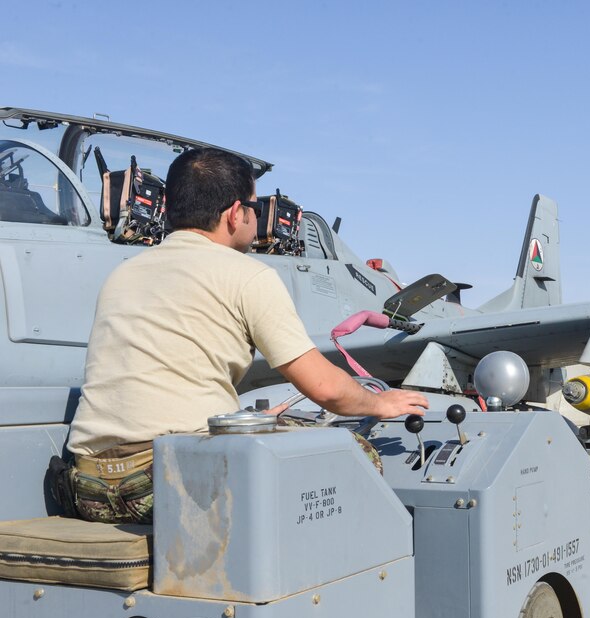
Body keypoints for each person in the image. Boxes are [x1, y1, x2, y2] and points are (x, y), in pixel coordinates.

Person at [64, 148, 428, 524]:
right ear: (235, 213)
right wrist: (379, 403)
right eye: (254, 208)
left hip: (90, 488)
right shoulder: (248, 275)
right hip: (167, 483)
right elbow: (327, 390)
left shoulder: (123, 273)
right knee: (356, 453)